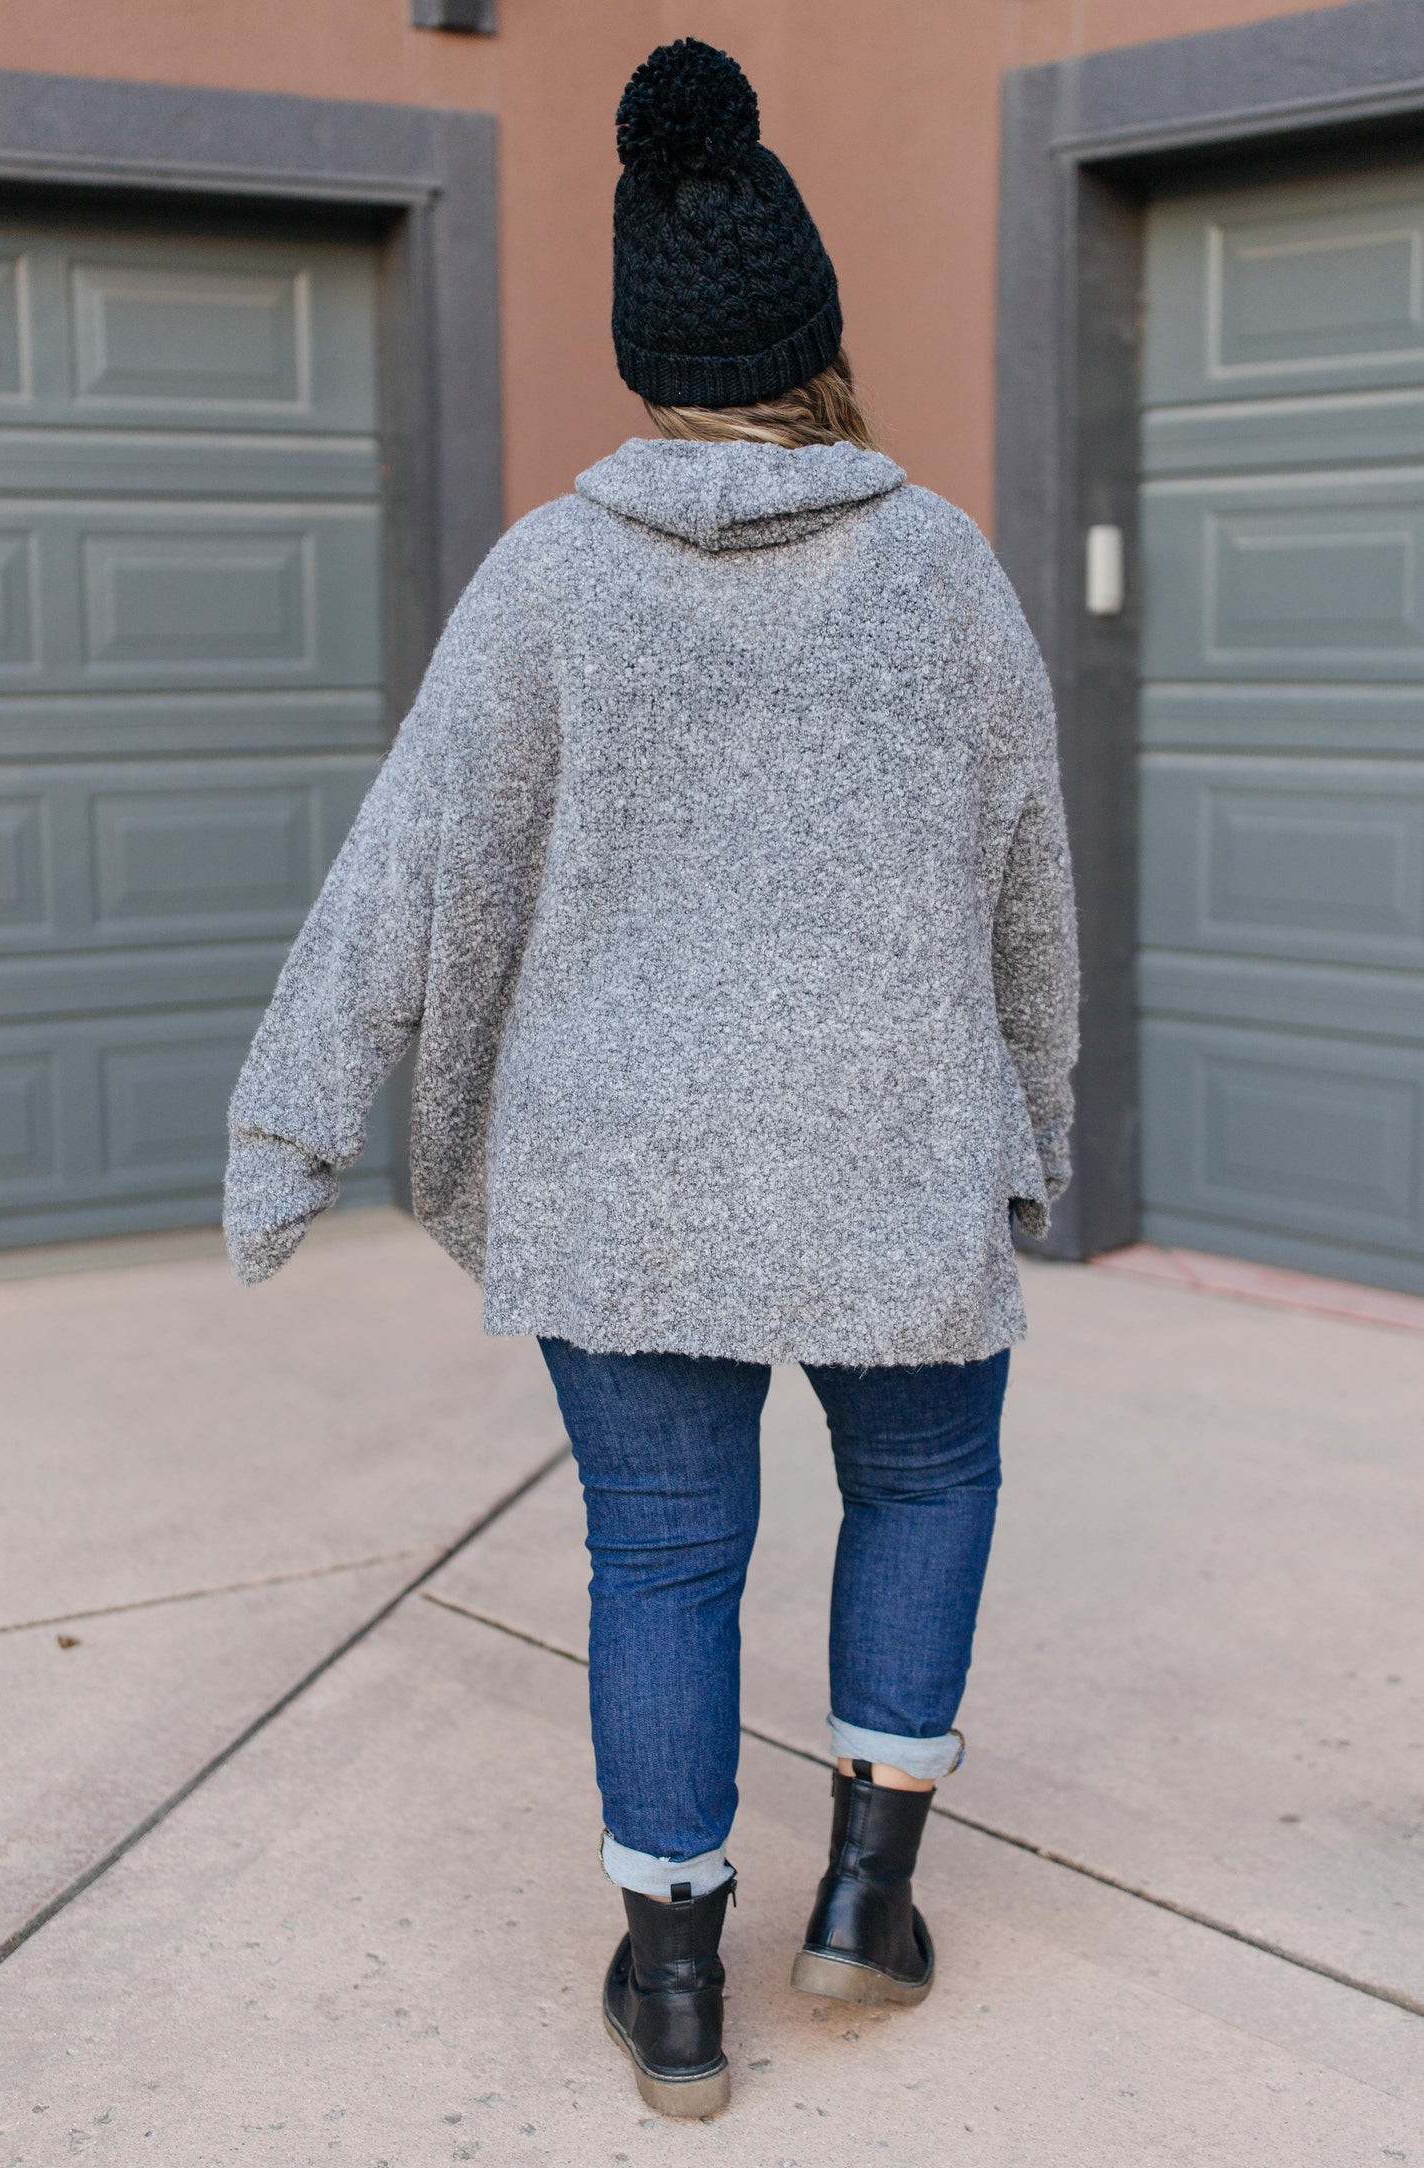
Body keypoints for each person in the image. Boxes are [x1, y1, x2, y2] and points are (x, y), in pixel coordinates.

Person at [224, 37, 1078, 2123]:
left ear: (647, 357)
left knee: (663, 1559)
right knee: (927, 1483)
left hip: (623, 1175)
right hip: (888, 1152)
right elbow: (1029, 894)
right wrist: (1032, 1129)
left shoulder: (549, 576)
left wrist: (293, 1118)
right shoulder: (943, 567)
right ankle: (867, 1899)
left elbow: (411, 860)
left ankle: (677, 1990)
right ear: (818, 339)